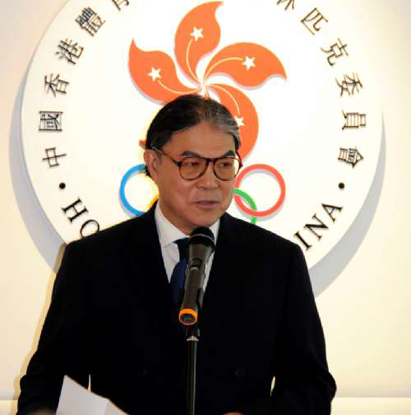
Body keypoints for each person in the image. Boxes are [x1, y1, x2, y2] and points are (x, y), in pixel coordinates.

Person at [17, 94, 336, 415]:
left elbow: (312, 387)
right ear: (154, 164)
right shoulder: (93, 261)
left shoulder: (277, 261)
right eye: (192, 165)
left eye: (224, 165)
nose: (210, 182)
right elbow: (46, 387)